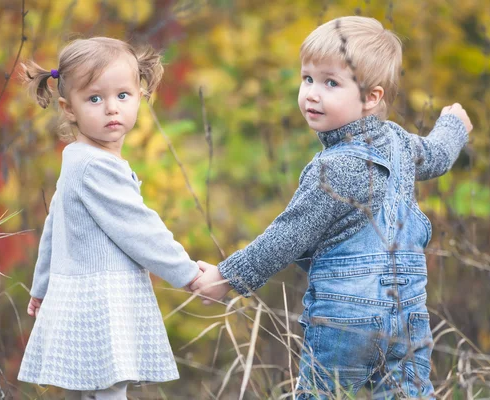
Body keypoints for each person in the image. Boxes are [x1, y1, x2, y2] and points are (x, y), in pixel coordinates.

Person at [189, 16, 473, 398]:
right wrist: (453, 126)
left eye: (331, 83)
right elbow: (437, 155)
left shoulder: (334, 167)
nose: (312, 93)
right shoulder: (399, 143)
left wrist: (226, 278)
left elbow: (288, 236)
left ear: (372, 98)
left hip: (346, 321)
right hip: (407, 317)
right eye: (307, 78)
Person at [17, 37, 201, 399]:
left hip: (78, 295)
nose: (111, 109)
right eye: (95, 99)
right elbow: (139, 228)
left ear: (139, 96)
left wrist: (42, 285)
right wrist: (188, 273)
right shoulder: (94, 167)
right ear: (69, 109)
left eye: (122, 95)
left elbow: (55, 227)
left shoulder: (77, 158)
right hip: (101, 299)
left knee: (85, 390)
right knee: (109, 389)